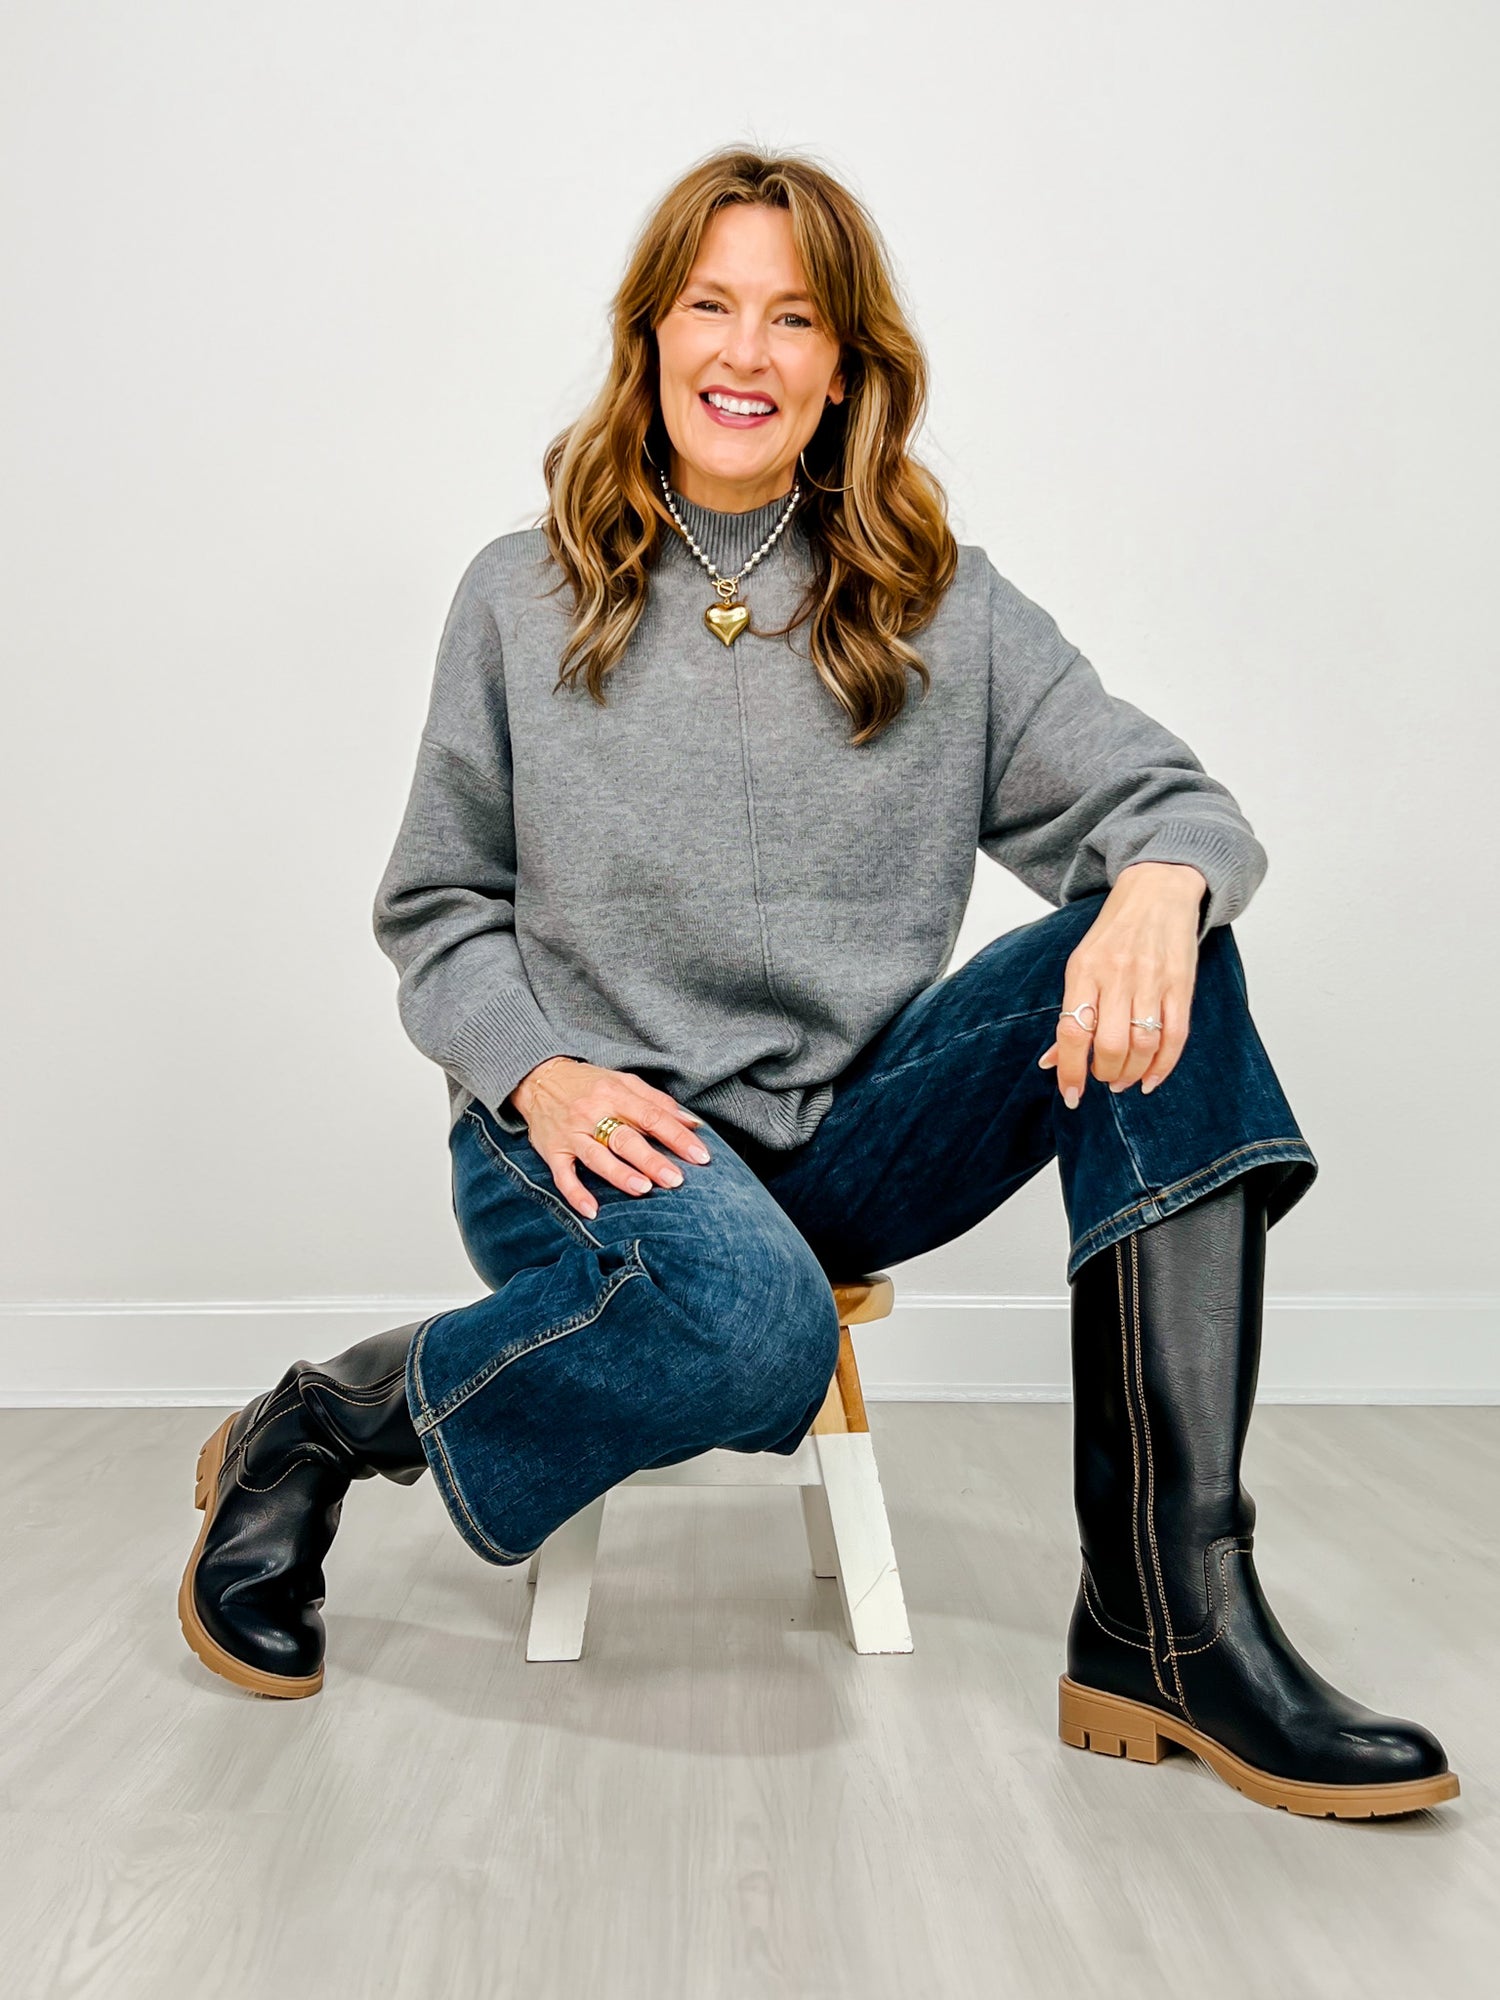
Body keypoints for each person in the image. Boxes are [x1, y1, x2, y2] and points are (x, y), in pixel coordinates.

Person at [178, 146, 1459, 1819]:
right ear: (651, 335)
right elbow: (437, 908)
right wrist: (541, 1075)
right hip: (580, 1135)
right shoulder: (518, 594)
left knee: (1173, 945)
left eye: (792, 318)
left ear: (844, 364)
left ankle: (1170, 1617)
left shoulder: (945, 607)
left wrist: (1159, 882)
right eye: (709, 305)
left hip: (837, 1142)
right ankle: (330, 1422)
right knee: (756, 1327)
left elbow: (1174, 802)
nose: (746, 351)